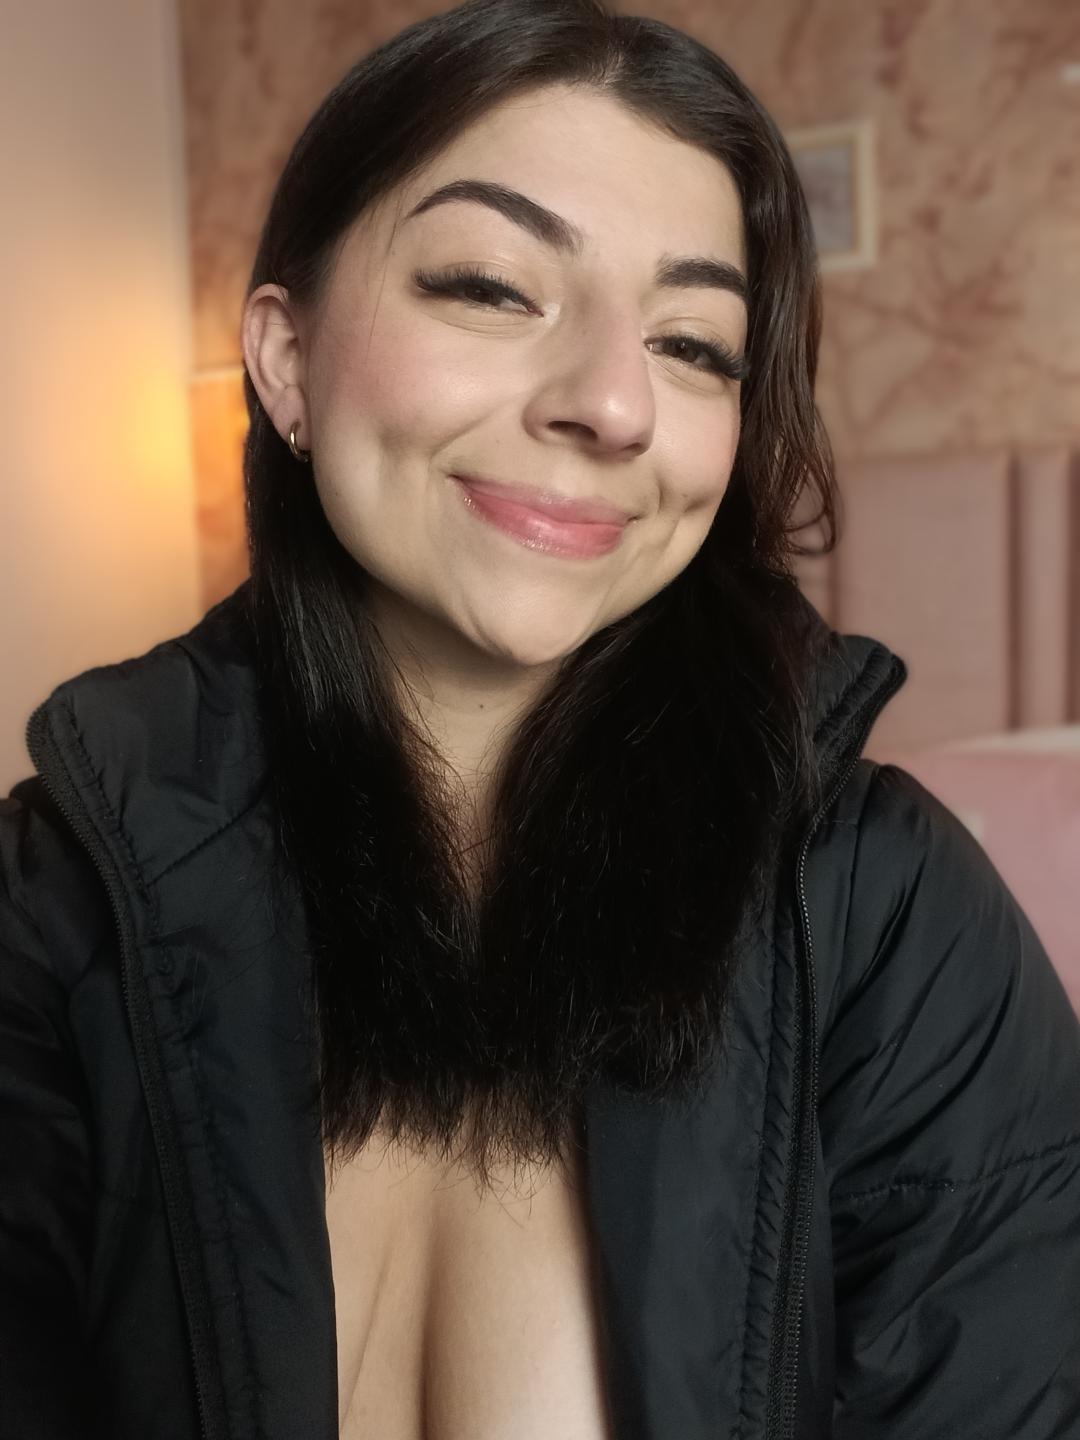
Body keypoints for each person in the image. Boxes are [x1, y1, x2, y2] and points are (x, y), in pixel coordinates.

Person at [2, 0, 1078, 1435]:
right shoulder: (63, 892)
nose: (615, 404)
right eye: (492, 287)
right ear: (286, 359)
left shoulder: (885, 916)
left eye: (693, 344)